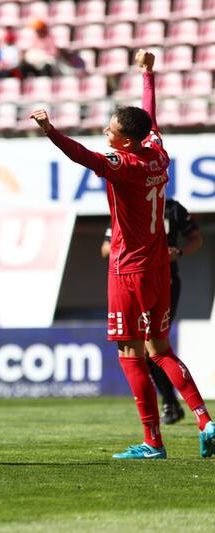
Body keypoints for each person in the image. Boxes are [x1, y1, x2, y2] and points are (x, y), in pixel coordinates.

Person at [31, 49, 215, 459]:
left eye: (111, 129)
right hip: (159, 266)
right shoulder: (157, 153)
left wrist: (50, 130)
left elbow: (82, 156)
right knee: (161, 349)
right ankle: (206, 420)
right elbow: (150, 118)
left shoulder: (123, 165)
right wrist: (148, 75)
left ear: (125, 141)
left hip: (128, 269)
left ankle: (153, 442)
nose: (105, 130)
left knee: (129, 352)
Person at [101, 198, 203, 425]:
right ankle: (182, 409)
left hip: (164, 282)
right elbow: (105, 248)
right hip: (136, 280)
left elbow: (196, 239)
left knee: (152, 349)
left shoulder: (172, 209)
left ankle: (163, 418)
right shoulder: (126, 207)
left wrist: (178, 252)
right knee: (154, 350)